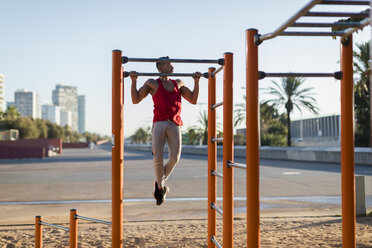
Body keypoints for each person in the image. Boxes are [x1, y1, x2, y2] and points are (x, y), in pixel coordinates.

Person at [130, 57, 201, 205]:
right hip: (159, 123)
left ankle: (158, 184)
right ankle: (161, 188)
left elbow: (193, 100)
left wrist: (196, 82)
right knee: (158, 157)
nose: (172, 66)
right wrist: (134, 81)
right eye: (169, 64)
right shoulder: (152, 83)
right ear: (161, 68)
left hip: (175, 123)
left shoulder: (179, 83)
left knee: (175, 157)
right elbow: (135, 99)